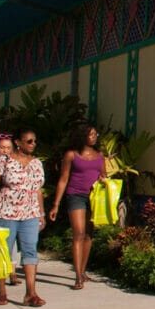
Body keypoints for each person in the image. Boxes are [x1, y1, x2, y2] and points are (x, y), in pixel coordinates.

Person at [0, 128, 46, 307]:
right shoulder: (5, 161)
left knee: (30, 251)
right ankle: (1, 291)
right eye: (29, 141)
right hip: (6, 212)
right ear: (18, 142)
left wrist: (41, 213)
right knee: (4, 250)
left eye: (34, 141)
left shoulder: (36, 164)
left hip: (30, 213)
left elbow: (37, 190)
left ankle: (31, 293)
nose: (33, 144)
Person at [48, 123, 107, 290]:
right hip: (76, 196)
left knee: (89, 235)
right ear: (82, 136)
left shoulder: (100, 155)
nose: (95, 137)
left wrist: (103, 179)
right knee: (78, 233)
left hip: (94, 197)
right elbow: (63, 179)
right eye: (91, 134)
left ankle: (83, 270)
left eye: (96, 134)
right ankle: (77, 276)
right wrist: (56, 204)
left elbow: (104, 175)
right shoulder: (71, 155)